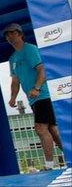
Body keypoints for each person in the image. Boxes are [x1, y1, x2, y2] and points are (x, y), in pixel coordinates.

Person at [4, 23, 63, 170]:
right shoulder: (12, 59)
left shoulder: (30, 49)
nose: (9, 36)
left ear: (20, 34)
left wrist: (36, 88)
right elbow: (15, 81)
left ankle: (49, 166)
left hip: (43, 95)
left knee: (40, 129)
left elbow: (41, 70)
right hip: (33, 100)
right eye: (7, 35)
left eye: (11, 33)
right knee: (53, 131)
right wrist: (12, 97)